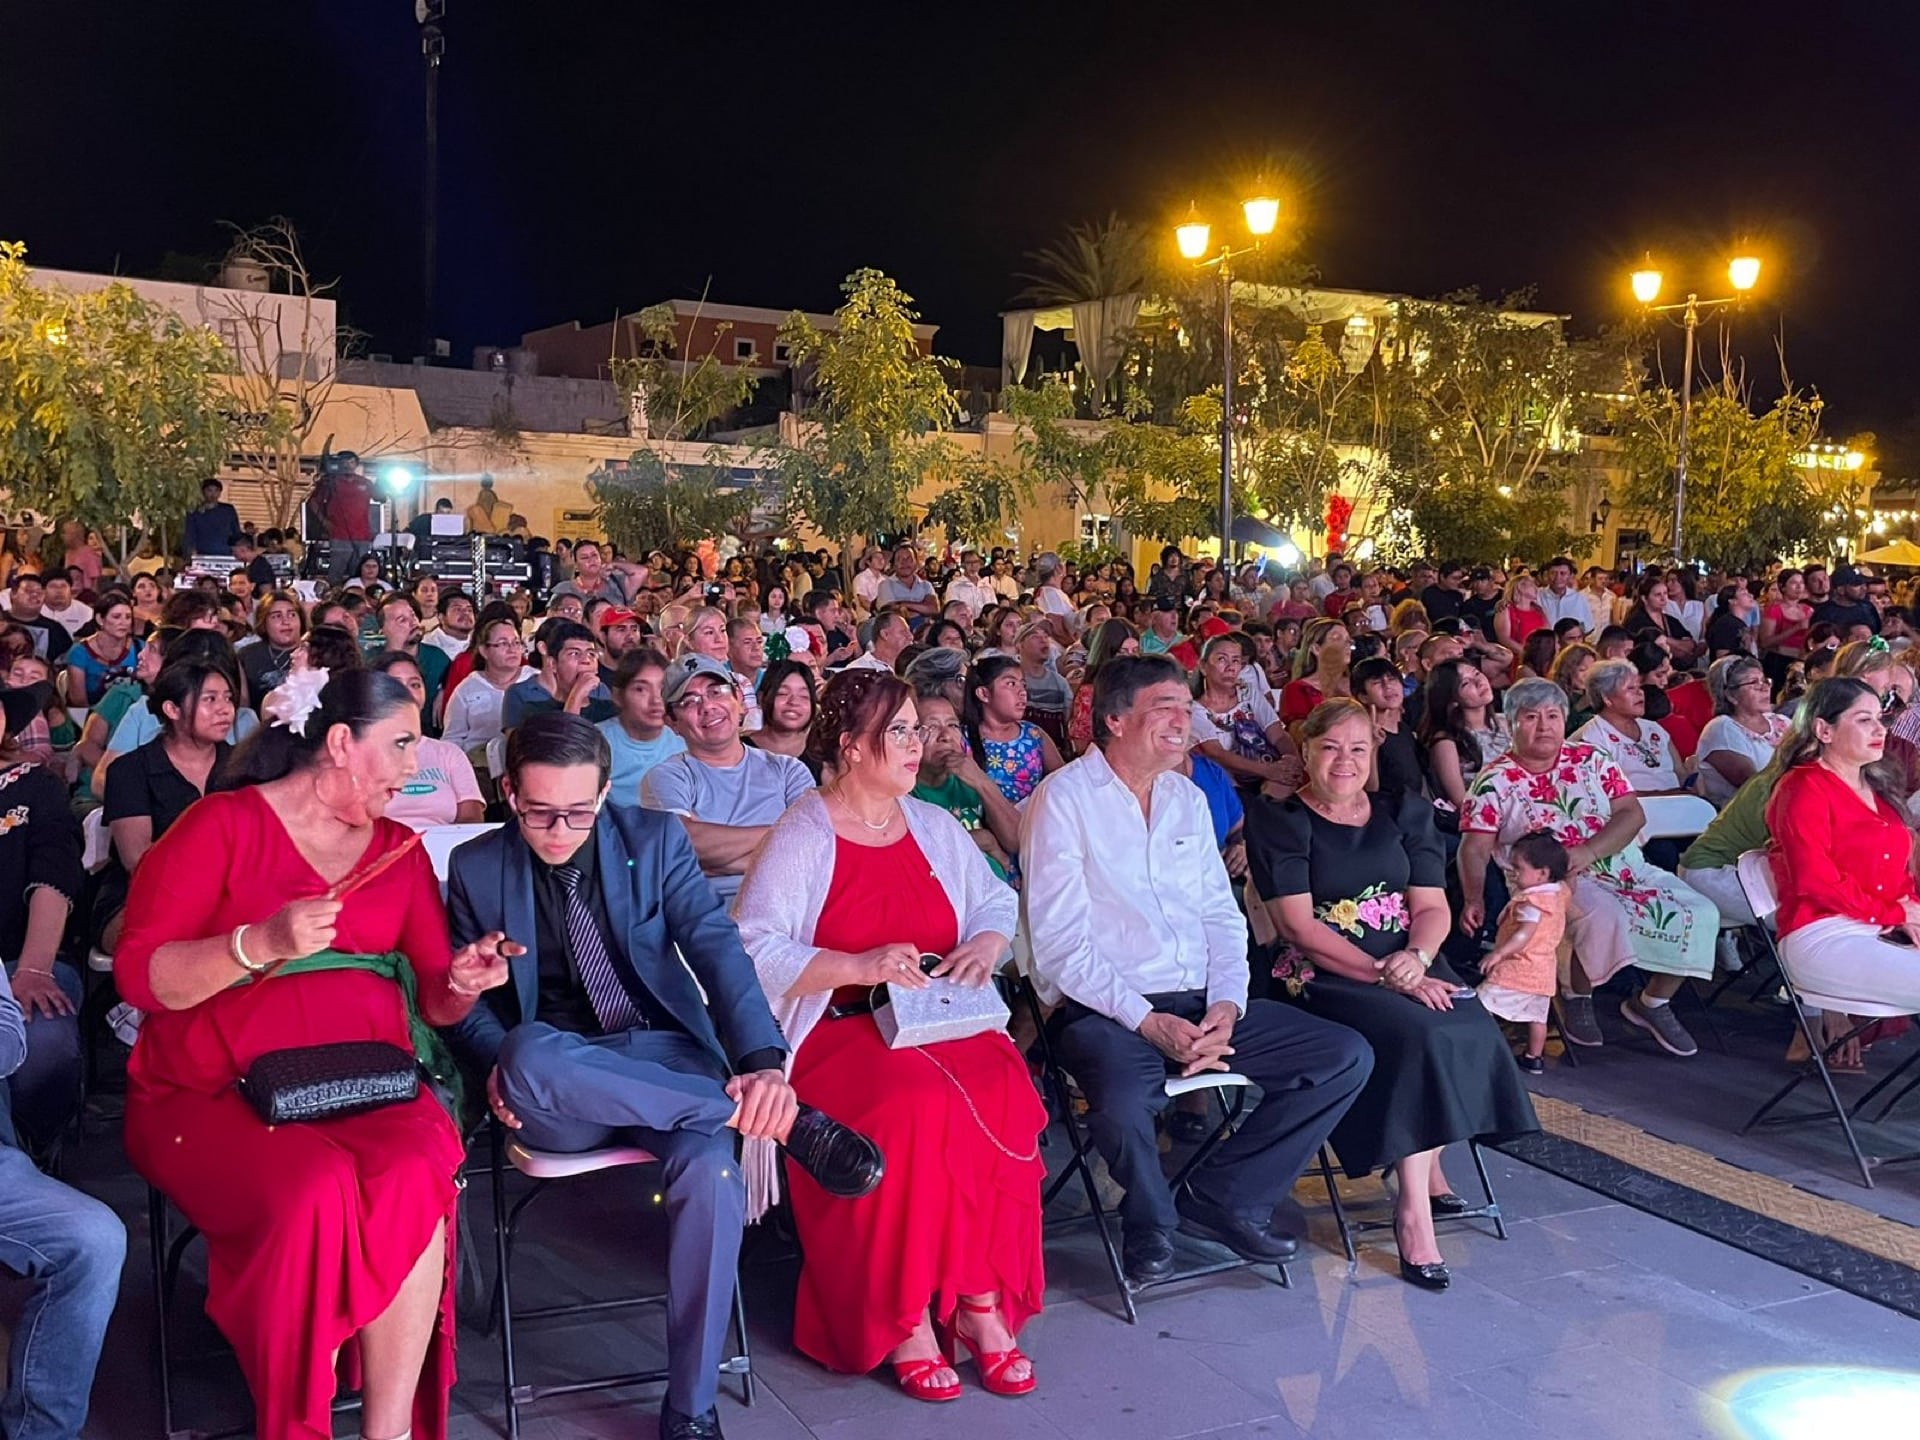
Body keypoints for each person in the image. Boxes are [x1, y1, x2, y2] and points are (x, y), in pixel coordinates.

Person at [448, 712, 882, 1440]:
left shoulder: (652, 841)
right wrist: (495, 1061)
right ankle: (777, 1123)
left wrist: (764, 1065)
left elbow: (718, 952)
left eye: (579, 813)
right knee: (526, 1052)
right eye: (539, 812)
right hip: (560, 1081)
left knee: (712, 1176)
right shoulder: (476, 867)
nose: (559, 831)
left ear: (606, 791)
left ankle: (690, 1408)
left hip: (666, 1060)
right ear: (507, 793)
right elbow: (463, 1008)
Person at [114, 668, 519, 1440]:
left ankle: (388, 1431)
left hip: (366, 1086)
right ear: (340, 743)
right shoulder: (220, 827)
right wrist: (258, 943)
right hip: (206, 1093)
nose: (414, 765)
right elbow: (142, 975)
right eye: (401, 744)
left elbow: (434, 999)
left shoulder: (399, 850)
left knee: (415, 1166)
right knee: (316, 1190)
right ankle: (294, 1421)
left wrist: (466, 982)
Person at [731, 669, 1040, 1401]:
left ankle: (979, 1301)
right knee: (909, 1110)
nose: (918, 744)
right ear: (851, 746)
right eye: (898, 731)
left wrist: (986, 946)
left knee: (1007, 1090)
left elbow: (996, 899)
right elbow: (752, 948)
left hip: (938, 1021)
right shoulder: (805, 828)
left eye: (918, 728)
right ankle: (901, 1318)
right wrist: (856, 963)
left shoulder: (929, 822)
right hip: (842, 1030)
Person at [1022, 655, 1373, 1285]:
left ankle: (1223, 1195)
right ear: (1115, 718)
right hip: (1111, 1008)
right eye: (1166, 707)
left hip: (1202, 1004)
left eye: (1187, 708)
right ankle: (1150, 1222)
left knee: (1342, 1057)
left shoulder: (1186, 797)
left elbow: (1221, 914)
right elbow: (1059, 945)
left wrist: (1227, 1005)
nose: (1184, 720)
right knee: (1123, 1099)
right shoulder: (1064, 799)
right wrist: (1147, 1020)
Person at [1246, 699, 1536, 1289]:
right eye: (1330, 748)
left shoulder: (1401, 811)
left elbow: (1432, 905)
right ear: (1305, 752)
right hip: (1322, 972)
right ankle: (1414, 1214)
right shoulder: (1282, 820)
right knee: (1418, 1034)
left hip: (1411, 960)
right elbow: (1299, 928)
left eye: (1358, 748)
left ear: (1373, 753)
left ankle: (1427, 1164)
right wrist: (1384, 972)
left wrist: (1417, 958)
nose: (1344, 761)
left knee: (1469, 1020)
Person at [1459, 678, 1718, 1057]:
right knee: (1602, 915)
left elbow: (1632, 814)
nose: (1544, 726)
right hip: (1547, 883)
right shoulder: (1493, 781)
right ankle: (1576, 993)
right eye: (1531, 717)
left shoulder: (1591, 759)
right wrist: (1473, 898)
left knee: (1701, 912)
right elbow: (1474, 848)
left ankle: (1652, 1003)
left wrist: (1590, 852)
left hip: (1622, 865)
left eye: (1552, 715)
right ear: (1511, 723)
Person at [1765, 676, 1920, 1016]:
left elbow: (1896, 872)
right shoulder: (1802, 787)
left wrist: (1909, 910)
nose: (1879, 729)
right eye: (1864, 720)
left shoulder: (1876, 787)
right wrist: (1895, 912)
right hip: (1824, 934)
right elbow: (1814, 880)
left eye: (1880, 718)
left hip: (1881, 926)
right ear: (1824, 730)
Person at [641, 655, 815, 905]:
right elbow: (680, 846)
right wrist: (785, 832)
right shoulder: (667, 778)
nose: (708, 706)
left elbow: (813, 845)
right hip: (708, 920)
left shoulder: (788, 771)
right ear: (672, 722)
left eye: (717, 691)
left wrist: (710, 860)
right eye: (689, 701)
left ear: (740, 700)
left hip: (791, 911)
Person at [95, 659, 234, 953]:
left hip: (231, 890)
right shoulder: (129, 770)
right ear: (172, 710)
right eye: (210, 699)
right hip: (145, 893)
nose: (225, 709)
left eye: (228, 698)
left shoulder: (243, 766)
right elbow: (139, 862)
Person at [1475, 830, 1570, 1075]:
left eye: (1518, 869)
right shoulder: (1558, 893)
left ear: (1542, 873)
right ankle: (1534, 1057)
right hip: (1543, 969)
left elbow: (1523, 935)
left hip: (1518, 966)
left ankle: (1481, 1046)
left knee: (1482, 1003)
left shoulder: (1532, 903)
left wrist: (1499, 954)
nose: (1513, 873)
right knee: (1537, 1016)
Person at [909, 682, 1022, 882]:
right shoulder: (906, 791)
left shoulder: (968, 778)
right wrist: (984, 840)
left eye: (952, 725)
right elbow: (919, 855)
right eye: (932, 726)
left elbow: (1015, 840)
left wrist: (983, 783)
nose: (946, 737)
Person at [369, 652, 485, 827]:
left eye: (414, 684)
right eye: (395, 684)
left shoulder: (449, 753)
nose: (407, 692)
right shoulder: (361, 755)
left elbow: (471, 819)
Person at [1189, 630, 1299, 793]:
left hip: (1268, 771)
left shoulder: (1249, 693)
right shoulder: (1194, 709)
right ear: (1203, 667)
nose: (1230, 667)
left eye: (1236, 661)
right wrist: (1269, 771)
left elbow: (1278, 734)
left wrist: (1291, 760)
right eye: (1221, 659)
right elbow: (1217, 753)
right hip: (1227, 786)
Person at [1571, 659, 1690, 797]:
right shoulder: (1592, 739)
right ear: (1607, 698)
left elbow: (1680, 773)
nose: (1640, 693)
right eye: (1630, 688)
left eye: (1639, 687)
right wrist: (1668, 794)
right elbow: (1605, 797)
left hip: (1678, 804)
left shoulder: (1654, 728)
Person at [963, 656, 1064, 806]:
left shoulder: (1033, 735)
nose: (1022, 692)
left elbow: (1063, 781)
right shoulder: (962, 738)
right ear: (984, 694)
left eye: (1023, 684)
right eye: (1011, 684)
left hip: (1032, 822)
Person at [596, 647, 687, 807]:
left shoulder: (684, 738)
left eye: (663, 688)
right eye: (641, 689)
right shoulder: (597, 743)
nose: (656, 700)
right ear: (618, 696)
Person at [1696, 655, 1791, 807]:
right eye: (1754, 682)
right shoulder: (1721, 729)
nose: (1765, 687)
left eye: (1765, 680)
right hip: (1748, 818)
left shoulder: (1782, 721)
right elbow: (1753, 784)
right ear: (1730, 695)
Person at [441, 616, 536, 754]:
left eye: (516, 642)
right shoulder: (467, 688)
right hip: (477, 763)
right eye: (503, 643)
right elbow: (452, 739)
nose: (512, 649)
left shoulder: (535, 679)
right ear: (484, 651)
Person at [503, 619, 615, 729]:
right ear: (553, 664)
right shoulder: (534, 713)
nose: (585, 660)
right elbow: (560, 746)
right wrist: (577, 696)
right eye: (574, 653)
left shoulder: (610, 711)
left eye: (591, 654)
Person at [744, 659, 819, 779]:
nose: (794, 702)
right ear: (761, 698)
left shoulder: (825, 752)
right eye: (782, 693)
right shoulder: (740, 750)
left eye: (804, 696)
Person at [64, 592, 141, 706]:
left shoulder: (140, 648)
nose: (123, 622)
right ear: (100, 619)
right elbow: (79, 701)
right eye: (116, 617)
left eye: (128, 617)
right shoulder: (79, 653)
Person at [1281, 618, 1352, 727]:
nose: (1346, 644)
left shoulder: (1357, 684)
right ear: (1316, 648)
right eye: (1337, 638)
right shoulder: (1297, 689)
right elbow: (1300, 734)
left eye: (1348, 640)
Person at [1759, 567, 1813, 695]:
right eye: (1794, 583)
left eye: (1801, 583)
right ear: (1783, 587)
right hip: (1778, 662)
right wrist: (1796, 628)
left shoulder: (1808, 609)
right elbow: (1765, 642)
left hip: (1801, 662)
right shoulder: (1774, 610)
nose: (1799, 587)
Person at [184, 477, 243, 558]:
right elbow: (190, 534)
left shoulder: (228, 510)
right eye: (209, 490)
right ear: (203, 492)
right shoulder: (194, 512)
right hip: (202, 554)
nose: (213, 494)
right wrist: (192, 552)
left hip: (225, 554)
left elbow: (236, 532)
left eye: (216, 491)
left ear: (220, 493)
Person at [875, 544, 939, 617]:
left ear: (916, 563)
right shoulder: (886, 585)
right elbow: (891, 614)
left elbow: (933, 609)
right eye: (899, 559)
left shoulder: (926, 585)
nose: (904, 562)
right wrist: (922, 609)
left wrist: (902, 604)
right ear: (893, 565)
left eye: (909, 559)